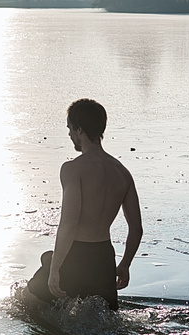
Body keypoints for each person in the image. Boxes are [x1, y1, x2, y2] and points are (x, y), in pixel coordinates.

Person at [28, 98, 143, 311]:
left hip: (75, 255)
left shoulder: (73, 169)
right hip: (104, 259)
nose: (69, 134)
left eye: (70, 129)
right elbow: (136, 229)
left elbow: (69, 223)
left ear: (80, 130)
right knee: (103, 323)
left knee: (25, 302)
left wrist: (55, 269)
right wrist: (125, 265)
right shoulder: (123, 173)